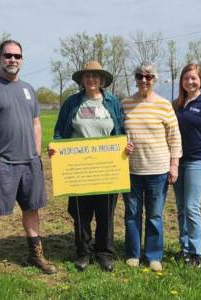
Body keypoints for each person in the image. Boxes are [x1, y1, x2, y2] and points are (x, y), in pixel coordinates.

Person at [0, 40, 57, 281]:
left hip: (30, 163)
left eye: (17, 56)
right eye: (8, 55)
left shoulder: (29, 88)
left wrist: (37, 153)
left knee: (32, 208)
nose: (12, 60)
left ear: (22, 59)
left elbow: (36, 123)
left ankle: (35, 254)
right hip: (2, 163)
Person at [48, 61, 133, 272]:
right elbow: (59, 131)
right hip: (78, 169)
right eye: (87, 76)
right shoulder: (72, 103)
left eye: (95, 76)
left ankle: (104, 253)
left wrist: (126, 145)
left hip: (107, 168)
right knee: (81, 214)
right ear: (82, 80)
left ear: (102, 80)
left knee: (106, 213)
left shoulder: (112, 102)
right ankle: (83, 253)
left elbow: (121, 130)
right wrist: (56, 148)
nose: (91, 79)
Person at [121, 61, 182, 272]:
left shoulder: (164, 105)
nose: (144, 80)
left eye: (148, 77)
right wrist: (121, 146)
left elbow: (175, 137)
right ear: (135, 79)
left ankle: (154, 255)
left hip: (157, 170)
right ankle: (133, 253)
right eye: (140, 76)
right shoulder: (125, 104)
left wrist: (174, 165)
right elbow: (117, 134)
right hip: (129, 170)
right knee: (132, 214)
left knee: (155, 215)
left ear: (154, 79)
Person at [172, 64, 201, 267]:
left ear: (200, 80)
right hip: (177, 162)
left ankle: (196, 252)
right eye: (185, 79)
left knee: (192, 207)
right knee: (181, 208)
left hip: (196, 162)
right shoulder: (176, 104)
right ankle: (184, 249)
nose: (189, 82)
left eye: (193, 78)